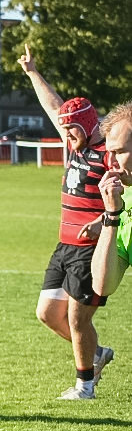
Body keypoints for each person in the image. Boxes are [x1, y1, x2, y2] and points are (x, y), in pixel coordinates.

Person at [19, 45, 115, 399]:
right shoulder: (75, 147)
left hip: (92, 250)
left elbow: (126, 200)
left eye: (73, 129)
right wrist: (31, 72)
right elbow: (52, 105)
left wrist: (104, 220)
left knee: (78, 318)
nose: (68, 134)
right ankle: (98, 354)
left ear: (88, 125)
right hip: (64, 245)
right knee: (47, 314)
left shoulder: (110, 156)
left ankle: (85, 385)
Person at [91, 102, 132, 300]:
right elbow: (102, 285)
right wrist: (111, 215)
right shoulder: (125, 199)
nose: (111, 161)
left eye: (120, 152)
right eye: (110, 152)